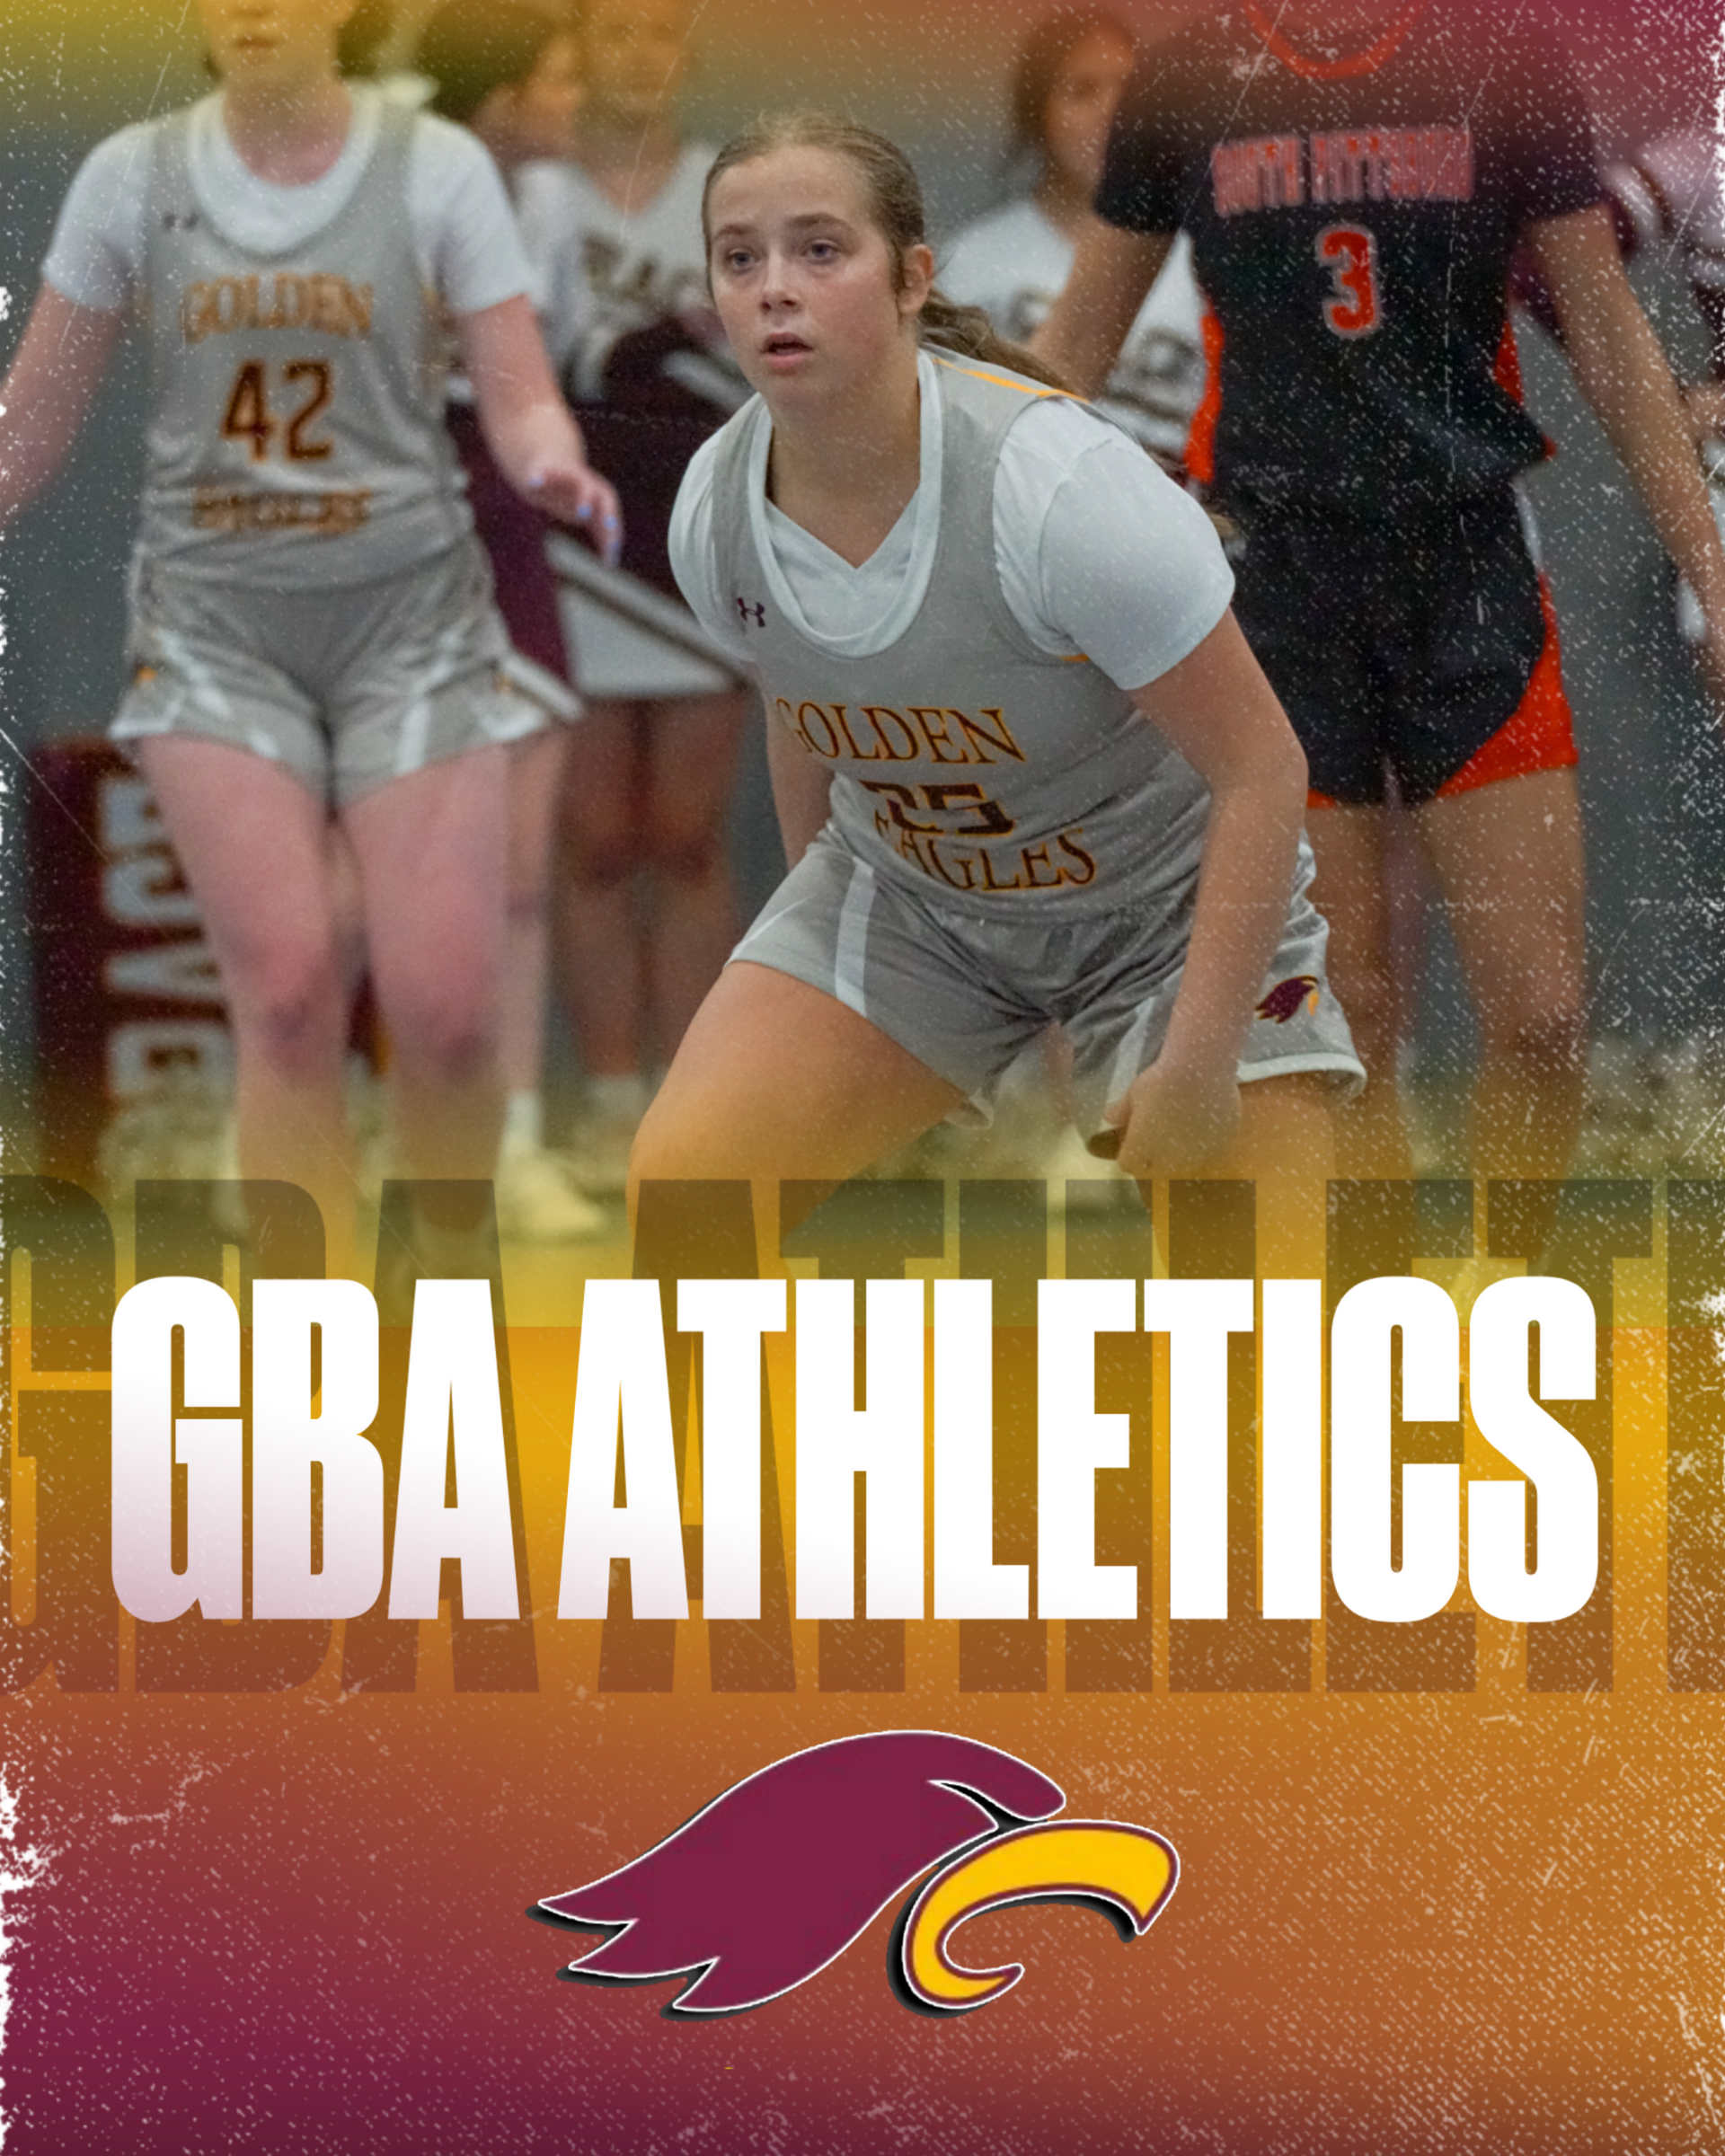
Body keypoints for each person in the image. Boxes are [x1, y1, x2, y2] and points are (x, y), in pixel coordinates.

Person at [629, 112, 1363, 1250]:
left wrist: (1203, 1060)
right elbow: (807, 714)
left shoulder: (1059, 488)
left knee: (1256, 1330)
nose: (775, 288)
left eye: (821, 250)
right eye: (741, 258)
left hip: (1159, 916)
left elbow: (1263, 771)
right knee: (686, 1191)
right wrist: (836, 979)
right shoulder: (713, 512)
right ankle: (751, 1436)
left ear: (914, 277)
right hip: (924, 903)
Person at [1033, 0, 1725, 1189]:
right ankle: (1377, 1334)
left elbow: (1604, 327)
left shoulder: (1502, 57)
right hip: (1279, 580)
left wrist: (1714, 573)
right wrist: (931, 542)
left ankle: (1505, 1312)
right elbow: (1069, 357)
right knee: (1348, 1016)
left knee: (1545, 1019)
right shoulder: (1190, 74)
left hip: (1467, 569)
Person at [0, 0, 618, 1275]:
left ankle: (450, 1296)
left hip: (414, 627)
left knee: (447, 1017)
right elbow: (30, 422)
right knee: (285, 991)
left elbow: (521, 397)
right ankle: (305, 1341)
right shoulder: (134, 176)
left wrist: (555, 468)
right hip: (217, 629)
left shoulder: (431, 165)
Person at [514, 0, 751, 1196]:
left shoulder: (727, 186)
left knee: (687, 835)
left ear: (681, 53)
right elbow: (517, 365)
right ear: (583, 46)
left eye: (660, 33)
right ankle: (613, 1102)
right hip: (583, 536)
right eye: (616, 32)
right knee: (600, 837)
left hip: (706, 531)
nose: (638, 55)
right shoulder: (536, 197)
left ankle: (695, 1113)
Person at [413, 0, 608, 1242]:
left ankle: (519, 1144)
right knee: (372, 868)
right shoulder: (375, 186)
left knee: (520, 867)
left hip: (511, 534)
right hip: (387, 541)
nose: (574, 102)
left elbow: (555, 373)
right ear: (497, 94)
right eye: (556, 79)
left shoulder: (552, 210)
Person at [940, 5, 1205, 473]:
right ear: (1037, 111)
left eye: (1129, 90)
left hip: (1177, 508)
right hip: (1027, 497)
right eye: (1082, 91)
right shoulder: (972, 263)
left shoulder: (1201, 256)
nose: (1110, 111)